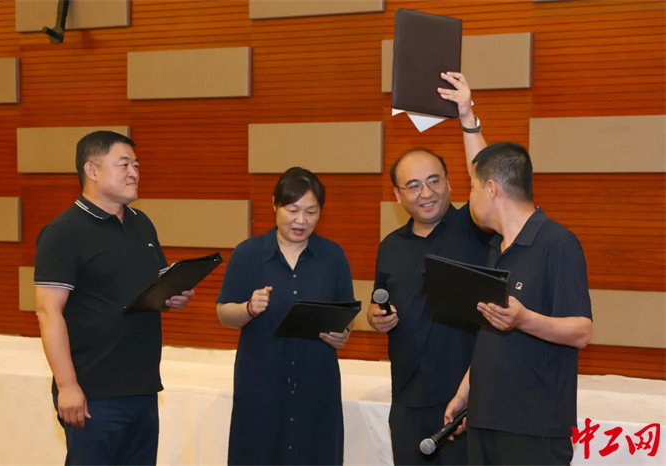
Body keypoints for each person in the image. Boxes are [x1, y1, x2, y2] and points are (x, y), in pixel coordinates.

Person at [439, 71, 593, 465]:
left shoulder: (557, 242)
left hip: (534, 431)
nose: (469, 195)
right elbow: (491, 333)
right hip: (485, 420)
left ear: (492, 190)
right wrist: (465, 391)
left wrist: (524, 319)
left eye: (473, 187)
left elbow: (581, 330)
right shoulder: (497, 247)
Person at [34, 130, 195, 465]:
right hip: (93, 394)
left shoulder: (141, 223)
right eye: (124, 165)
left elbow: (150, 288)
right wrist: (67, 386)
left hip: (143, 388)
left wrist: (172, 295)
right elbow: (48, 312)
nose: (134, 173)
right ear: (92, 170)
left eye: (136, 165)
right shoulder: (63, 233)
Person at [367, 95, 493, 463]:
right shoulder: (390, 246)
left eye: (434, 180)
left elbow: (488, 181)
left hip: (466, 401)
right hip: (407, 400)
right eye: (414, 185)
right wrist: (376, 319)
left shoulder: (474, 229)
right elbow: (379, 304)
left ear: (450, 183)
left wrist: (468, 118)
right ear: (398, 195)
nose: (426, 193)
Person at [216, 167, 355, 465]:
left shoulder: (333, 257)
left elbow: (347, 315)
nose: (301, 221)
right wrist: (248, 308)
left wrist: (342, 334)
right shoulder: (248, 254)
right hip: (260, 384)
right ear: (274, 205)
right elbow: (224, 313)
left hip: (316, 383)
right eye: (292, 210)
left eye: (311, 212)